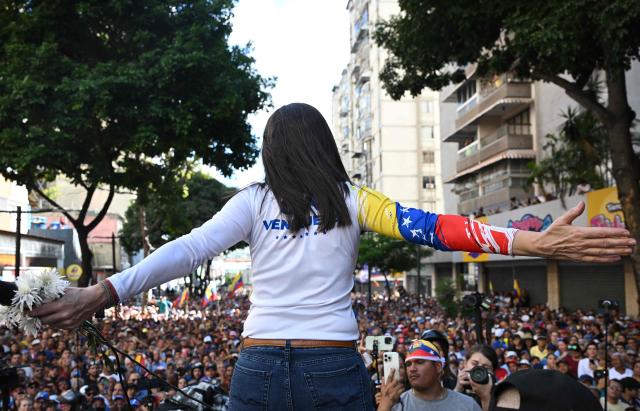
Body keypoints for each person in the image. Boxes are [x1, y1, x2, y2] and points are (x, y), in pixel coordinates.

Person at [30, 103, 636, 411]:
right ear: (324, 145)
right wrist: (530, 240)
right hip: (333, 366)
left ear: (272, 153)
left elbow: (188, 250)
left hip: (258, 369)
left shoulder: (250, 202)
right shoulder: (354, 201)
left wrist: (103, 293)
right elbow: (438, 228)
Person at [378, 340, 481, 411]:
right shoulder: (395, 405)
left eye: (419, 362)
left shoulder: (468, 405)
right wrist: (384, 406)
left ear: (438, 367)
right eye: (408, 364)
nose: (412, 369)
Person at [455, 344, 499, 411]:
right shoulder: (450, 384)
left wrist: (486, 397)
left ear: (493, 371)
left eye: (486, 367)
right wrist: (458, 389)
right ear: (465, 363)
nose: (478, 369)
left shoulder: (499, 394)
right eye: (474, 364)